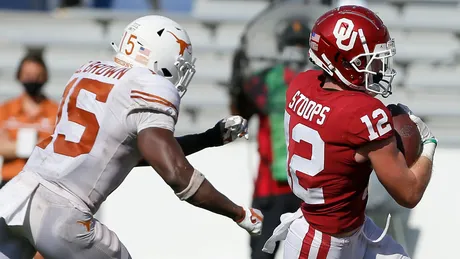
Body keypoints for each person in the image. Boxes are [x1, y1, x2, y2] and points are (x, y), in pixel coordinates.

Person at [0, 15, 263, 259]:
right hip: (61, 213)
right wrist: (238, 213)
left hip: (15, 195)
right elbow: (176, 174)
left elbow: (138, 153)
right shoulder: (149, 85)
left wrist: (208, 138)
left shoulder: (88, 70)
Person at [262, 5, 437, 259]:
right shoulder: (364, 114)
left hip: (347, 227)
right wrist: (428, 143)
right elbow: (409, 193)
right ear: (341, 61)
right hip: (324, 244)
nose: (377, 67)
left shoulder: (302, 83)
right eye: (368, 59)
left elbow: (333, 117)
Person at [230, 19, 312, 259]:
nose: (295, 50)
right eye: (291, 44)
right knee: (261, 254)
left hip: (308, 189)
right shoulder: (263, 82)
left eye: (300, 45)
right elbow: (239, 114)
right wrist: (238, 85)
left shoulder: (319, 83)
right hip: (271, 186)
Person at [0, 54, 58, 190]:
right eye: (28, 75)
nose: (32, 79)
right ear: (19, 76)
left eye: (37, 75)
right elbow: (1, 146)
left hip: (42, 183)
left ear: (45, 77)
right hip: (10, 180)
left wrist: (14, 145)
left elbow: (56, 149)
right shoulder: (6, 109)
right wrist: (36, 144)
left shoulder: (56, 111)